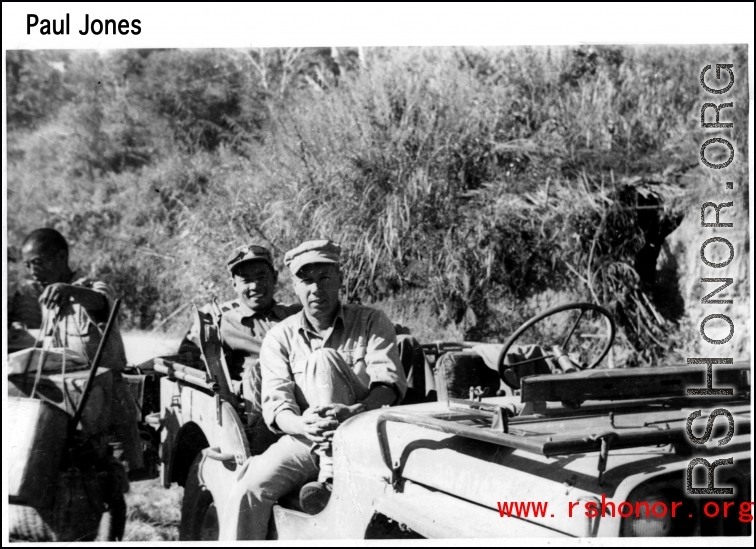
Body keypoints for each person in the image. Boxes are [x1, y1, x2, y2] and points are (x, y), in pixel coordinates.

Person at [219, 239, 408, 540]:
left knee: (323, 359)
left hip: (364, 437)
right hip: (306, 439)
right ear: (294, 285)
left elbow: (389, 383)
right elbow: (277, 405)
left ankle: (330, 476)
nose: (315, 289)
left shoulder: (371, 321)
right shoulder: (280, 337)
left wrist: (356, 412)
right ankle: (327, 475)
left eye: (324, 278)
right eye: (306, 280)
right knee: (249, 486)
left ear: (340, 280)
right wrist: (303, 423)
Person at [10, 228, 143, 470]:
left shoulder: (91, 287)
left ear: (61, 257)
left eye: (37, 263)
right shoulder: (48, 299)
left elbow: (101, 304)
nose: (32, 272)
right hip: (67, 404)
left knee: (111, 476)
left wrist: (68, 290)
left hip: (106, 404)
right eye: (28, 265)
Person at [176, 244, 300, 449]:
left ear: (275, 278)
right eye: (246, 280)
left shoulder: (295, 316)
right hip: (260, 412)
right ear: (234, 284)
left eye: (262, 277)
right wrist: (236, 387)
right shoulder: (220, 323)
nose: (255, 286)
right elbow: (198, 371)